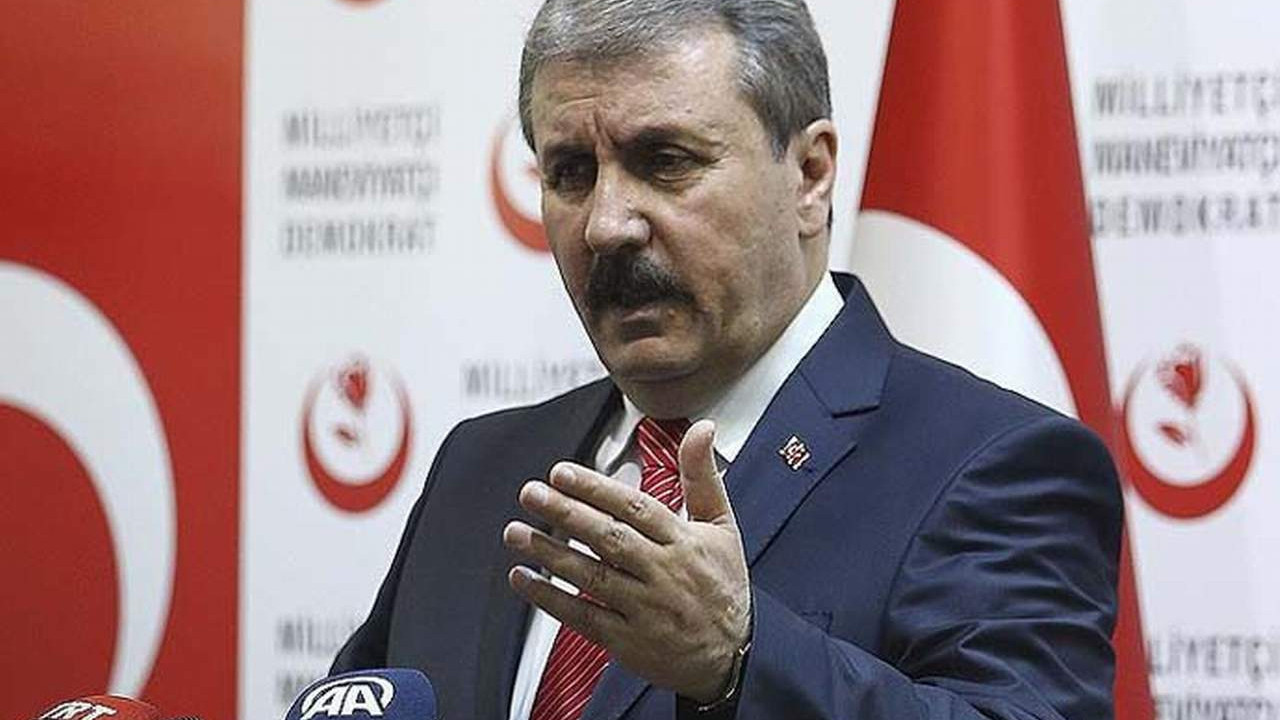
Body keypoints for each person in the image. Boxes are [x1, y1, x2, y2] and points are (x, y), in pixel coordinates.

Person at [331, 1, 1122, 719]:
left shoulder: (996, 467)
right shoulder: (481, 466)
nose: (606, 224)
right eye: (571, 173)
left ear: (810, 174)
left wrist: (740, 658)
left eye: (665, 160)